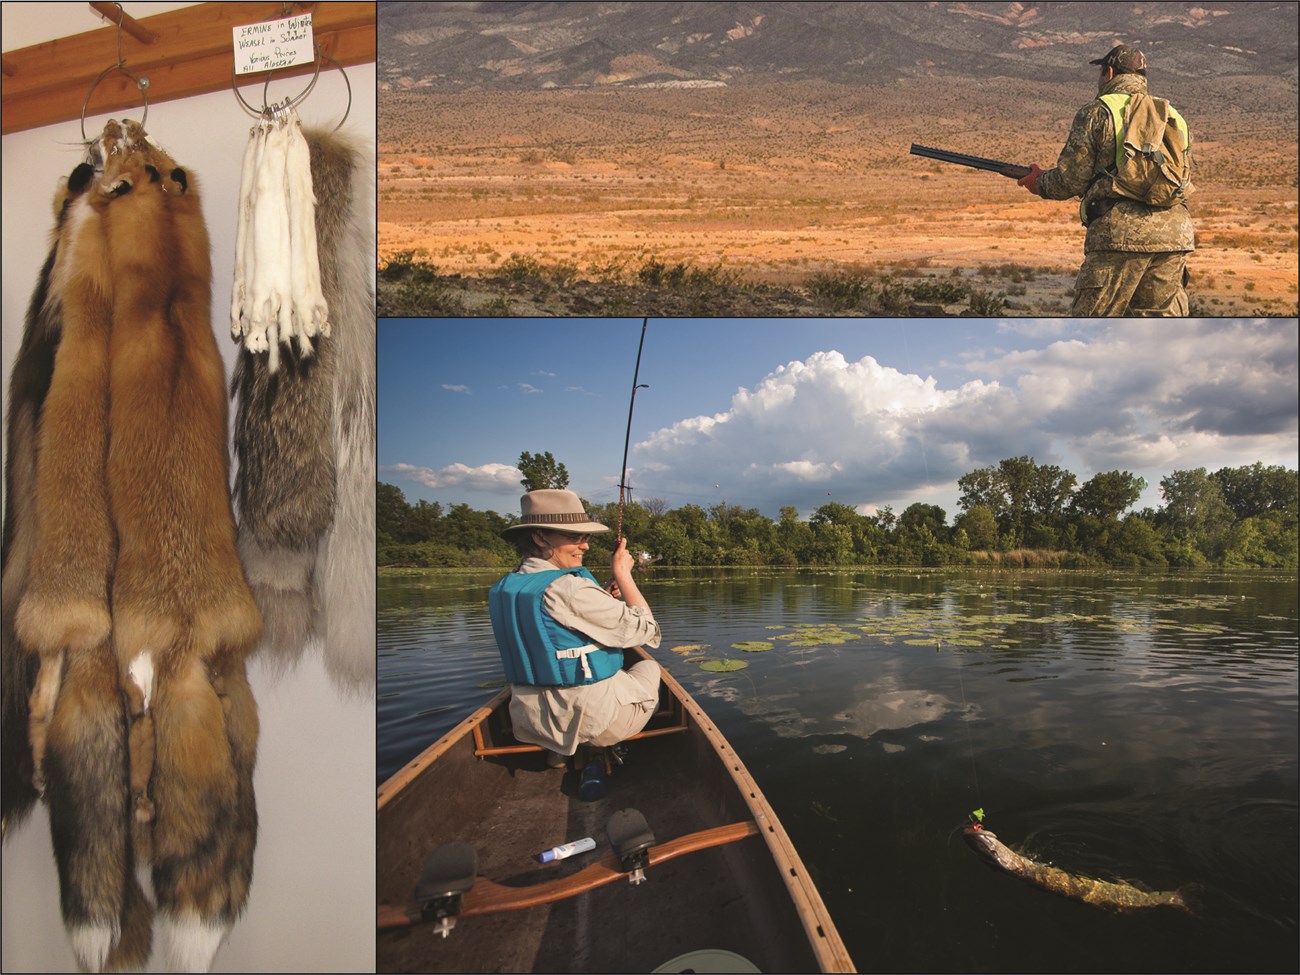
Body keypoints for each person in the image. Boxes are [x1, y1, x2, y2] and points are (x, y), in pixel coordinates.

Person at [1016, 44, 1195, 316]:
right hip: (1174, 236)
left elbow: (1070, 180)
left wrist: (1038, 182)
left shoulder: (1098, 111)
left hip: (1119, 237)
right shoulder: (1173, 116)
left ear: (1109, 73)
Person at [488, 489, 662, 765]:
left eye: (586, 537)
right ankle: (592, 746)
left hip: (532, 722)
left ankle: (558, 747)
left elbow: (551, 629)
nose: (585, 546)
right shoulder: (570, 588)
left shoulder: (506, 587)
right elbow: (646, 630)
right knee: (649, 667)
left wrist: (602, 594)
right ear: (539, 537)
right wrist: (623, 575)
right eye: (574, 537)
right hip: (595, 724)